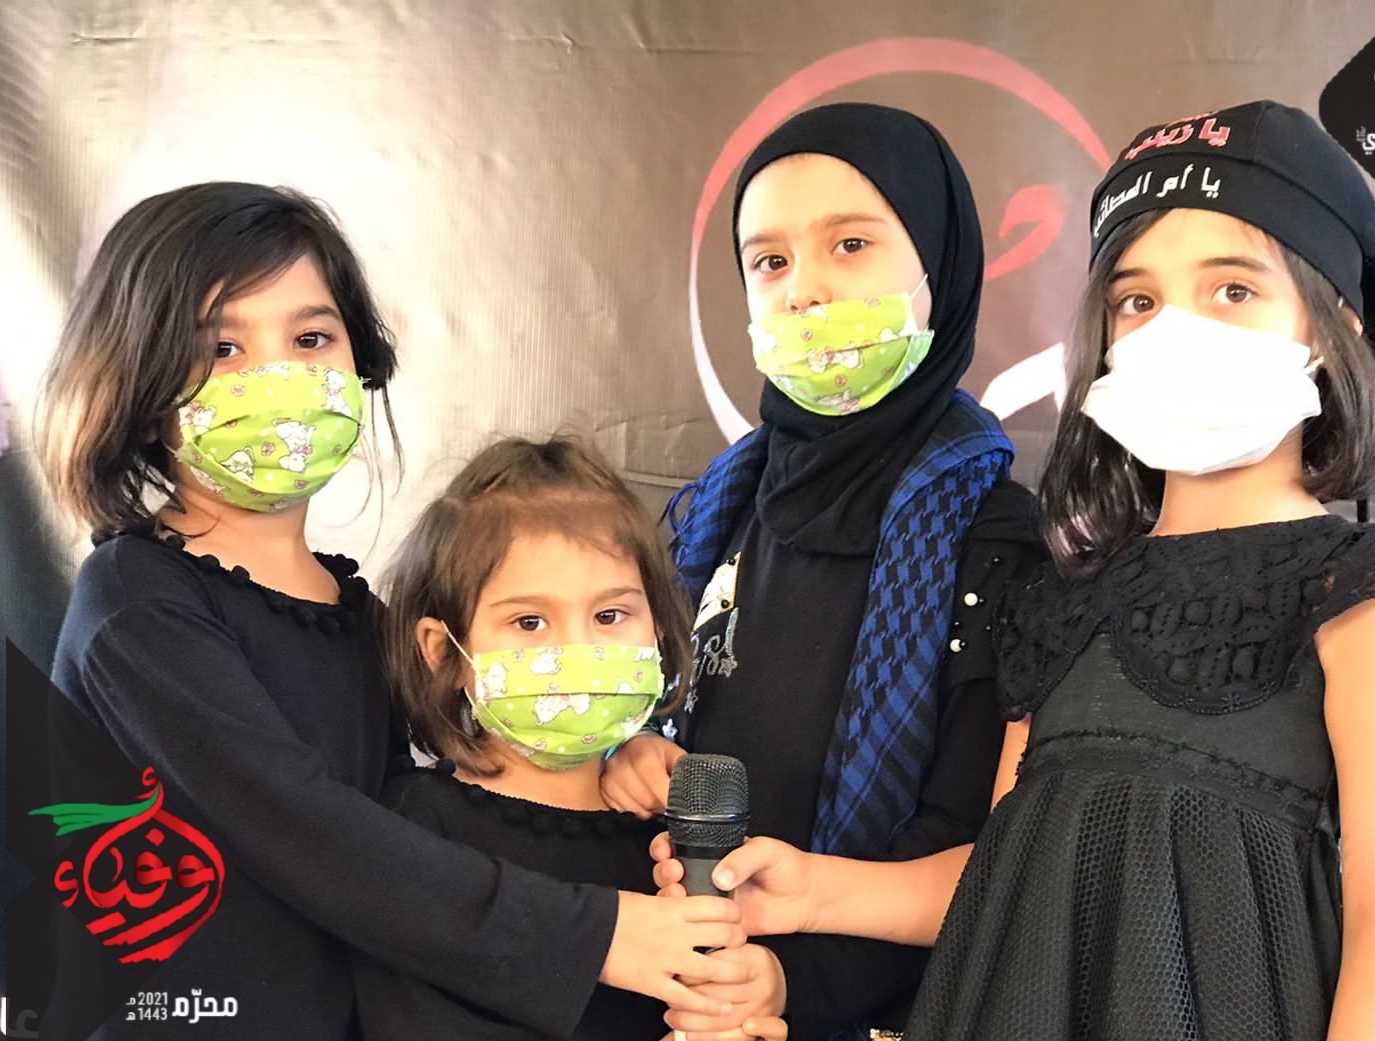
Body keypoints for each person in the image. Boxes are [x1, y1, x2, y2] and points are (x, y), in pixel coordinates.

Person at [652, 100, 1375, 1041]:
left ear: (1331, 328)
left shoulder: (1366, 600)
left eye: (1232, 290)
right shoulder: (1063, 593)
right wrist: (814, 890)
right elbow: (999, 871)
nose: (1175, 328)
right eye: (1138, 301)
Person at [36, 182, 744, 1040]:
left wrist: (616, 752)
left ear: (358, 359)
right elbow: (310, 832)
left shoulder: (361, 620)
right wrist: (599, 936)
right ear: (143, 383)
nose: (278, 377)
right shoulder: (135, 604)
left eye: (310, 338)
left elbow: (497, 742)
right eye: (222, 347)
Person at [601, 102, 1043, 1039]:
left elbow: (981, 852)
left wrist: (788, 983)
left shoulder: (998, 539)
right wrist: (624, 754)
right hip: (676, 995)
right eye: (770, 261)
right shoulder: (717, 508)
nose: (805, 290)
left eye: (850, 244)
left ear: (937, 265)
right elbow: (644, 719)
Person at [353, 435, 785, 1041]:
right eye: (529, 622)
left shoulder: (676, 836)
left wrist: (761, 988)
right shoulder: (415, 829)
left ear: (659, 629)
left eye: (610, 616)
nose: (578, 650)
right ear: (443, 651)